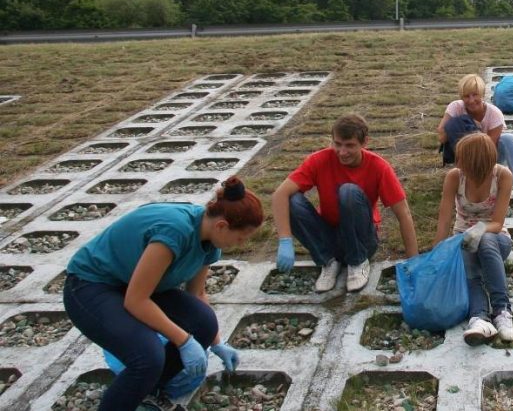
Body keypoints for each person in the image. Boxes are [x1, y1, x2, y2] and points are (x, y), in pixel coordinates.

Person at [63, 176, 262, 411]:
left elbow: (196, 294)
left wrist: (217, 342)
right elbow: (136, 301)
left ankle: (148, 391)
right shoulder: (174, 232)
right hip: (91, 286)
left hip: (133, 284)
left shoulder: (209, 242)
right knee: (147, 357)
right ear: (222, 225)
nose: (239, 243)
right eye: (240, 237)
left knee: (205, 323)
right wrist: (184, 341)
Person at [272, 113, 419, 293]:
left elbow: (403, 213)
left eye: (350, 145)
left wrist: (415, 262)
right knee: (292, 200)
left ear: (364, 142)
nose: (342, 152)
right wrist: (285, 240)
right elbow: (280, 195)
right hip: (330, 236)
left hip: (363, 239)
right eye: (337, 144)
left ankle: (358, 262)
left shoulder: (378, 167)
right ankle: (328, 261)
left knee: (348, 191)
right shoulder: (319, 160)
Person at [434, 132, 513, 345]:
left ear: (476, 162)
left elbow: (497, 223)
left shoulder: (503, 176)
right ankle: (479, 318)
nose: (457, 161)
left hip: (496, 240)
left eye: (461, 158)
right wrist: (438, 254)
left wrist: (478, 230)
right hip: (463, 239)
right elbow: (444, 220)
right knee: (468, 259)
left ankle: (502, 311)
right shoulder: (455, 176)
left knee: (486, 240)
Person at [437, 73, 513, 213]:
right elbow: (441, 137)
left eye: (475, 95)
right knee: (457, 125)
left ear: (482, 94)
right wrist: (457, 124)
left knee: (509, 139)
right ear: (461, 97)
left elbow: (487, 149)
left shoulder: (495, 114)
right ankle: (465, 184)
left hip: (488, 157)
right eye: (466, 96)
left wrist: (474, 131)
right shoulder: (456, 107)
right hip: (461, 155)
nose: (471, 100)